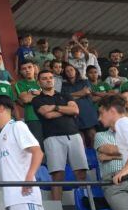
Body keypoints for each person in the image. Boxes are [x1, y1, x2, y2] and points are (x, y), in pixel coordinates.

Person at [32, 69, 89, 200]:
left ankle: (88, 203)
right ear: (39, 82)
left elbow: (75, 110)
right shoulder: (37, 99)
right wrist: (66, 110)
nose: (48, 80)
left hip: (74, 135)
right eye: (44, 78)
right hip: (52, 138)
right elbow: (47, 114)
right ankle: (57, 208)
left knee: (81, 172)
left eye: (50, 77)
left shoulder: (66, 95)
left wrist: (55, 107)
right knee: (57, 175)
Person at [97, 95, 128, 210]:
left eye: (101, 113)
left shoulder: (122, 123)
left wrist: (126, 169)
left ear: (112, 111)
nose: (99, 118)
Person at [93, 127, 128, 210]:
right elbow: (109, 150)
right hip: (114, 181)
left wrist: (111, 157)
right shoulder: (101, 135)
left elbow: (110, 153)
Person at [62, 64, 98, 147]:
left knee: (92, 135)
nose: (70, 72)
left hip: (87, 111)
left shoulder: (84, 81)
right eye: (67, 71)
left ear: (75, 71)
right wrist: (80, 93)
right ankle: (84, 158)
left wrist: (70, 95)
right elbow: (64, 98)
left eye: (71, 69)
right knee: (80, 138)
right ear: (65, 74)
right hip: (74, 113)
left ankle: (95, 157)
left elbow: (86, 92)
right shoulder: (64, 85)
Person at [14, 61, 44, 143]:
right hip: (33, 118)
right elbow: (26, 99)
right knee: (39, 145)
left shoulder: (42, 81)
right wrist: (42, 94)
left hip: (48, 116)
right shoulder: (20, 84)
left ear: (34, 68)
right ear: (20, 72)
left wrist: (34, 94)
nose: (27, 70)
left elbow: (52, 95)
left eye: (29, 67)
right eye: (24, 69)